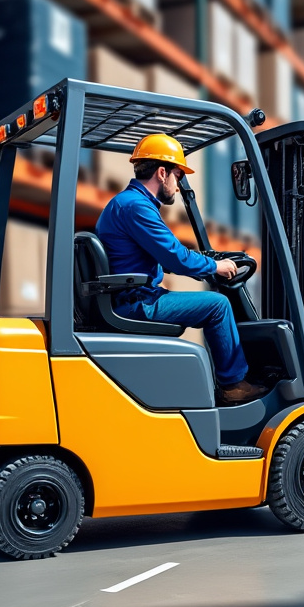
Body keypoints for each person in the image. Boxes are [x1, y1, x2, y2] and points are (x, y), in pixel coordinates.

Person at [95, 133, 268, 405]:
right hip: (137, 302)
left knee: (213, 301)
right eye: (178, 176)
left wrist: (202, 265)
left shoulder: (126, 203)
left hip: (129, 296)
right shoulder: (137, 207)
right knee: (218, 305)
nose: (177, 185)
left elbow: (166, 257)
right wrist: (215, 266)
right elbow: (176, 257)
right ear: (162, 173)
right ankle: (233, 385)